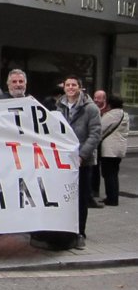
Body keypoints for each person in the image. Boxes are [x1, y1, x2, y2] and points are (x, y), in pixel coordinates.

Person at [56, 75, 101, 249]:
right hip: (64, 160)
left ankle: (80, 232)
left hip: (83, 161)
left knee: (81, 198)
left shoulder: (91, 108)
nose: (70, 88)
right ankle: (66, 230)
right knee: (66, 197)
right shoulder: (59, 106)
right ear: (64, 87)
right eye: (67, 85)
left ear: (80, 88)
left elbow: (95, 134)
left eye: (74, 85)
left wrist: (82, 155)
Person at [99, 94, 129, 206]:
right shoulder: (124, 115)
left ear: (110, 104)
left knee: (108, 174)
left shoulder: (111, 115)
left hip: (109, 149)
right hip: (120, 148)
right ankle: (113, 196)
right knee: (114, 173)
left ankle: (111, 199)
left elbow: (100, 128)